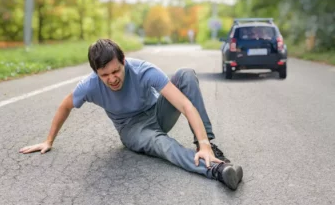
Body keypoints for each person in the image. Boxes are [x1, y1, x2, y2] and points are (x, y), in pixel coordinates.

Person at [19, 39, 243, 190]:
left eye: (116, 70)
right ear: (96, 73)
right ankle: (217, 169)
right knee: (163, 145)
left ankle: (208, 149)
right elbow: (65, 106)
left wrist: (203, 143)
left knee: (185, 74)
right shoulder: (88, 86)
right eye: (104, 75)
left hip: (157, 113)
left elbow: (184, 104)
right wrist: (48, 141)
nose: (112, 78)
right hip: (133, 129)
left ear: (124, 61)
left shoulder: (144, 70)